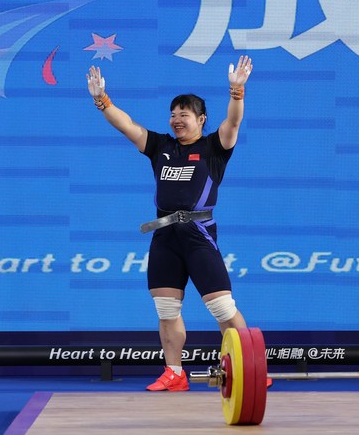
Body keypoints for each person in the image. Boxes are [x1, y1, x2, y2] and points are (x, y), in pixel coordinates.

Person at [86, 55, 253, 392]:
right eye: (173, 114)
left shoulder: (214, 147)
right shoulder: (160, 146)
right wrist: (102, 100)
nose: (177, 120)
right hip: (165, 236)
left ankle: (249, 369)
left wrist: (236, 92)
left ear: (201, 119)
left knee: (223, 307)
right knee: (166, 309)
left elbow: (233, 122)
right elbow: (127, 125)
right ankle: (174, 373)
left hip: (198, 235)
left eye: (184, 114)